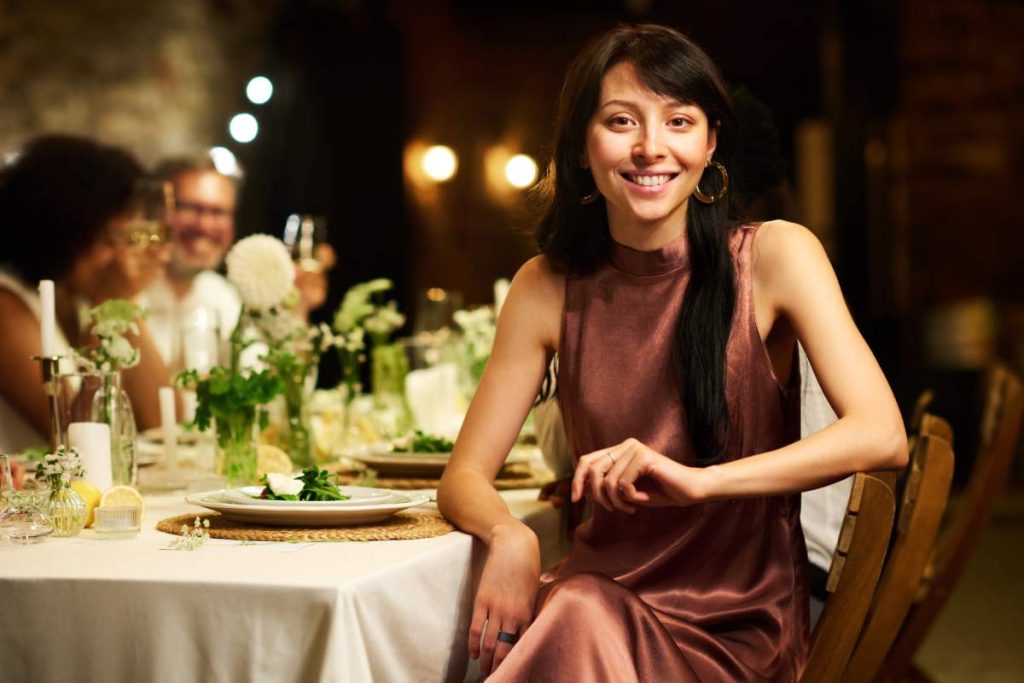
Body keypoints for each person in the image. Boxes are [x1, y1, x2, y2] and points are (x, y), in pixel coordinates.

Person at [437, 24, 907, 680]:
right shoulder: (544, 286)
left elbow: (883, 433)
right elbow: (463, 476)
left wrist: (702, 481)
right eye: (621, 120)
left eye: (678, 120)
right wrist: (509, 535)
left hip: (739, 627)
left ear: (711, 141)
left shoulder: (777, 255)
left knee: (569, 616)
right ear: (579, 146)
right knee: (572, 609)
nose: (650, 148)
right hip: (599, 598)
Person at [0, 135, 173, 452]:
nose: (123, 255)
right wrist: (109, 305)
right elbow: (77, 437)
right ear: (64, 232)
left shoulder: (75, 301)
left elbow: (164, 422)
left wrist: (122, 304)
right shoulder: (6, 305)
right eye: (111, 240)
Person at [141, 155, 335, 372]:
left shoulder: (223, 296)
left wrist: (298, 309)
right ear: (156, 211)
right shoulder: (128, 296)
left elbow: (268, 381)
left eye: (218, 212)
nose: (204, 225)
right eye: (190, 208)